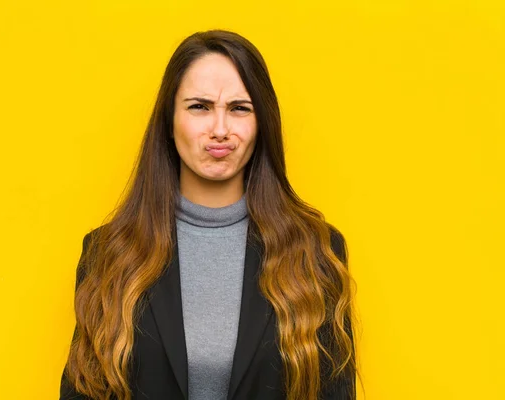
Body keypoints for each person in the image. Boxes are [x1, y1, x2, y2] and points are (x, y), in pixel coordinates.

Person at [60, 29, 358, 400]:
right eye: (199, 106)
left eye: (239, 108)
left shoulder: (316, 252)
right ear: (169, 121)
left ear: (261, 123)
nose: (220, 130)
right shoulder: (109, 253)